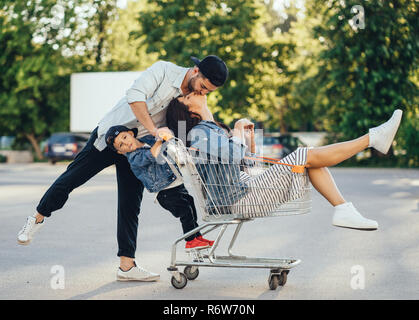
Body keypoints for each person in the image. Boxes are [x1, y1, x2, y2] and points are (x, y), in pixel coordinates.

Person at [17, 55, 228, 281]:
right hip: (112, 137)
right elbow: (135, 98)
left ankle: (126, 267)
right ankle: (37, 217)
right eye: (204, 87)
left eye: (209, 91)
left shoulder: (193, 96)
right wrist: (153, 130)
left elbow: (201, 121)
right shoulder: (164, 71)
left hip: (136, 149)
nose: (204, 92)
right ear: (196, 71)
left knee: (130, 204)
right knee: (71, 179)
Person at [165, 93, 403, 230]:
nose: (195, 92)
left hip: (247, 190)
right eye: (187, 95)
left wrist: (247, 139)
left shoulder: (212, 130)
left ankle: (343, 209)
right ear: (188, 111)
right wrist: (238, 129)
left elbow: (244, 162)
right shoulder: (198, 133)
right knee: (304, 154)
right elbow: (235, 156)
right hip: (240, 200)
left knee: (310, 160)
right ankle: (372, 139)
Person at [104, 125, 214, 253]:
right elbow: (153, 154)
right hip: (165, 193)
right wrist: (160, 139)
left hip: (176, 184)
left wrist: (165, 134)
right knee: (185, 210)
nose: (126, 143)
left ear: (130, 133)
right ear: (120, 152)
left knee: (190, 205)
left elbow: (167, 141)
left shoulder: (148, 140)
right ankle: (190, 241)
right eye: (121, 145)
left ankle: (196, 236)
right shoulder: (134, 158)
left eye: (124, 137)